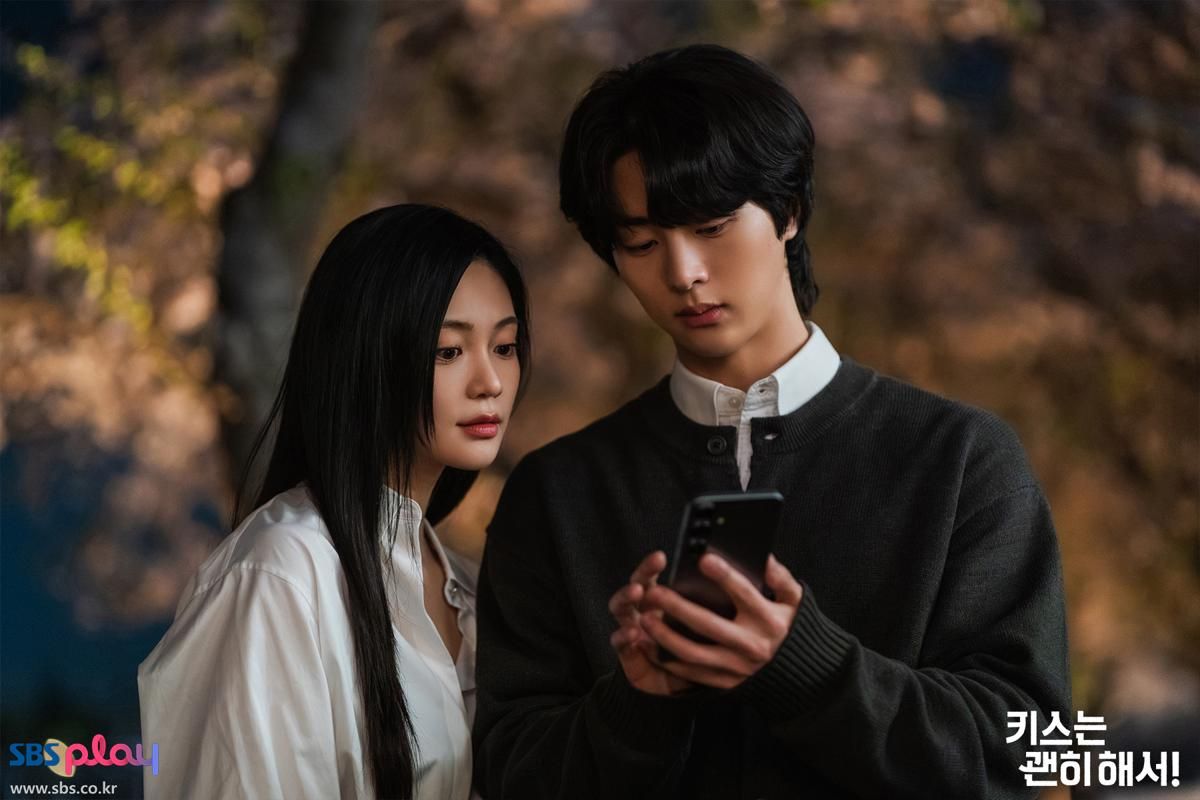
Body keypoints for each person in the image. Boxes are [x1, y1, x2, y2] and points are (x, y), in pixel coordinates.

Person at [473, 44, 1070, 799]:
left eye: (712, 226)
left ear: (788, 211)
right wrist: (637, 706)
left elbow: (1038, 755)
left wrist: (808, 667)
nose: (683, 273)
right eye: (643, 243)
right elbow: (510, 775)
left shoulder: (962, 461)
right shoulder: (556, 494)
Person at [139, 204, 530, 800]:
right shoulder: (280, 575)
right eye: (448, 351)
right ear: (368, 355)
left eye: (504, 346)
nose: (491, 382)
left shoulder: (468, 589)